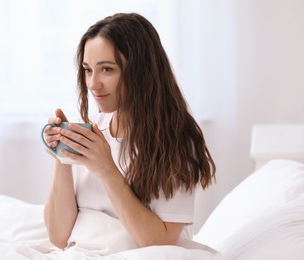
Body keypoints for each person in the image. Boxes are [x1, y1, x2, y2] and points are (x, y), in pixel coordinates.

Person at [43, 12, 216, 250]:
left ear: (140, 71)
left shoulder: (177, 142)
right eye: (87, 70)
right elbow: (59, 236)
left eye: (107, 69)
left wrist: (106, 170)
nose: (93, 84)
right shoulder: (93, 130)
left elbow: (159, 244)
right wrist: (62, 158)